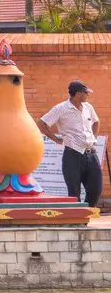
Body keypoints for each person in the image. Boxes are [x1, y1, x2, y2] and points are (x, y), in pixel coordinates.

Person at [40, 79, 103, 209]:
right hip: (72, 154)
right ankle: (77, 220)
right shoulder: (61, 109)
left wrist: (93, 136)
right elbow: (42, 123)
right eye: (86, 92)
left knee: (96, 188)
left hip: (91, 153)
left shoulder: (88, 107)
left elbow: (96, 121)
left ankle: (87, 212)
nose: (88, 95)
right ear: (78, 94)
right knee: (74, 191)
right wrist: (55, 139)